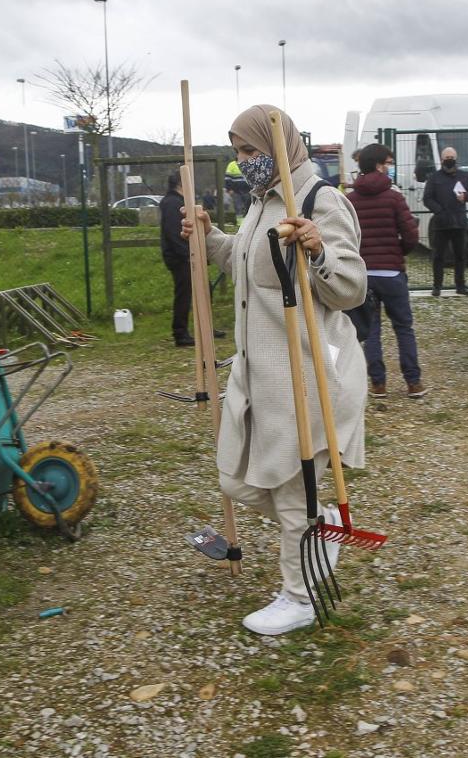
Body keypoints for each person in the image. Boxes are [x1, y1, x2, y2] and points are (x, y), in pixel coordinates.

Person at [183, 104, 367, 636]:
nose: (244, 163)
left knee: (291, 489)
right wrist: (210, 235)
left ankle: (299, 595)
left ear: (280, 145)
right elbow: (246, 267)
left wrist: (316, 249)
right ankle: (321, 528)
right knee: (235, 477)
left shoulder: (319, 200)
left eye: (251, 151)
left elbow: (350, 289)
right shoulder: (260, 204)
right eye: (238, 152)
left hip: (302, 372)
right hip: (254, 367)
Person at [345, 143, 424, 398]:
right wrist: (400, 251)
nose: (389, 167)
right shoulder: (394, 197)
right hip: (392, 273)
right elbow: (411, 232)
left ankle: (378, 384)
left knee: (372, 331)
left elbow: (346, 236)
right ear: (379, 165)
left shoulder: (350, 199)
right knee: (403, 328)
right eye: (388, 163)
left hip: (364, 274)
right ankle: (413, 382)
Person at [423, 147, 468, 296]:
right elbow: (427, 198)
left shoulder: (464, 176)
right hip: (441, 223)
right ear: (441, 160)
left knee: (460, 256)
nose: (449, 160)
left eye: (452, 157)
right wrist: (439, 211)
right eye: (447, 157)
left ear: (456, 158)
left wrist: (466, 196)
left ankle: (460, 286)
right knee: (438, 256)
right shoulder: (434, 178)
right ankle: (437, 286)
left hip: (459, 222)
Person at [159, 170, 196, 347]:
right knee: (184, 294)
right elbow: (174, 233)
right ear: (181, 184)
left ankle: (204, 328)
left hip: (183, 254)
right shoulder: (172, 203)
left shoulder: (176, 202)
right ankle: (180, 333)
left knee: (201, 290)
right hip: (179, 256)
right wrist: (188, 255)